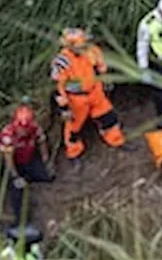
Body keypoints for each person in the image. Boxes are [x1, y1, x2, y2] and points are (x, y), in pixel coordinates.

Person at [51, 28, 128, 165]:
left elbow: (101, 67)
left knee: (108, 116)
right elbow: (59, 87)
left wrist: (105, 80)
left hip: (95, 91)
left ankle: (116, 140)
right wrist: (64, 108)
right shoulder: (62, 61)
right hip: (76, 98)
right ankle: (74, 153)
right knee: (74, 127)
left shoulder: (92, 50)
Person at [0, 103, 54, 221]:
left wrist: (46, 160)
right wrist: (15, 176)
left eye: (25, 128)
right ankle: (20, 219)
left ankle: (27, 179)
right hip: (14, 165)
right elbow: (8, 160)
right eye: (21, 128)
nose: (23, 131)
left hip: (28, 160)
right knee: (17, 190)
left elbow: (41, 143)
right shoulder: (8, 135)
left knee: (48, 177)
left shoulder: (34, 128)